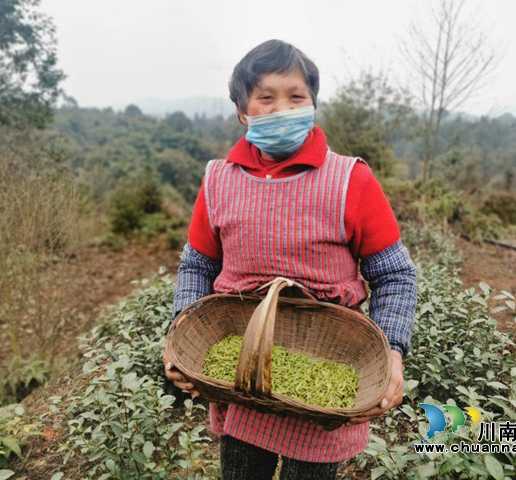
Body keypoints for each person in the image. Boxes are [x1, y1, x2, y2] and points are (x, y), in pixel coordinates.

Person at [163, 39, 417, 480]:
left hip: (324, 384)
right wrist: (180, 338)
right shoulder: (220, 181)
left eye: (296, 96)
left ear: (313, 103)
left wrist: (393, 349)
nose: (282, 108)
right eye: (265, 97)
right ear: (243, 111)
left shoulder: (350, 181)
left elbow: (394, 275)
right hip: (240, 381)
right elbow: (197, 266)